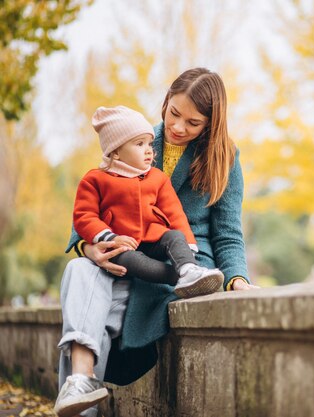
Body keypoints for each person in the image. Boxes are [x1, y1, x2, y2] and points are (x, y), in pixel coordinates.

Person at [54, 68, 259, 417]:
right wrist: (90, 248)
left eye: (193, 123)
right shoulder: (137, 136)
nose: (179, 127)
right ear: (165, 102)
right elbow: (94, 201)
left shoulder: (224, 158)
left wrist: (236, 278)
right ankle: (80, 386)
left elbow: (228, 233)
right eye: (173, 113)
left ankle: (80, 392)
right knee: (78, 272)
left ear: (210, 124)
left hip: (179, 268)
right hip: (123, 256)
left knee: (90, 314)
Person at [74, 105, 224, 299]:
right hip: (122, 243)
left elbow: (174, 212)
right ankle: (179, 277)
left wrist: (188, 245)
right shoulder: (95, 179)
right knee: (131, 260)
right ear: (116, 152)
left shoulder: (157, 178)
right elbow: (84, 216)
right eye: (139, 144)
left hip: (154, 238)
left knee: (175, 236)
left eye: (149, 145)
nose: (148, 151)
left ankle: (188, 268)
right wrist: (108, 238)